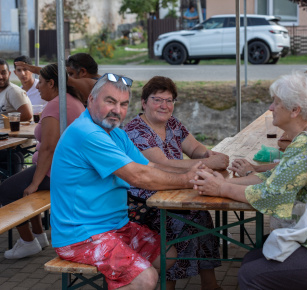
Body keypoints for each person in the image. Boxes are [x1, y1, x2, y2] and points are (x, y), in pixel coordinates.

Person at [191, 71, 307, 290]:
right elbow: (273, 177)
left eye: (276, 103)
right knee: (253, 258)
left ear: (296, 110)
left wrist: (220, 187)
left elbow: (271, 195)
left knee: (251, 274)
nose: (270, 108)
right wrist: (224, 182)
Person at [50, 73, 209, 290]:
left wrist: (193, 172)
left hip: (116, 227)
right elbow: (139, 176)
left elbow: (149, 167)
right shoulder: (88, 133)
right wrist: (187, 180)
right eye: (110, 101)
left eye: (123, 104)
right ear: (91, 100)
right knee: (145, 278)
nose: (117, 110)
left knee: (167, 254)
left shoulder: (115, 134)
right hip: (81, 235)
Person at [124, 76, 228, 290]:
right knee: (178, 223)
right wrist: (208, 162)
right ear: (144, 103)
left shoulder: (173, 123)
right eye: (157, 100)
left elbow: (195, 148)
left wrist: (209, 154)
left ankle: (210, 284)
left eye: (169, 100)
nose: (165, 106)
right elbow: (161, 164)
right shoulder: (136, 130)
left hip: (174, 192)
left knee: (201, 215)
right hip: (143, 204)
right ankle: (167, 286)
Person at [0, 63, 85, 259]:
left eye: (41, 83)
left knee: (7, 190)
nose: (37, 87)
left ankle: (28, 241)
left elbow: (48, 148)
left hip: (61, 171)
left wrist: (35, 183)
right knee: (20, 183)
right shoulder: (70, 100)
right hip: (70, 168)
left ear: (52, 83)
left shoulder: (56, 106)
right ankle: (38, 236)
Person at [15, 54, 99, 105]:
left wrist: (31, 68)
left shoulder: (94, 85)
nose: (68, 79)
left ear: (83, 72)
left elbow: (60, 77)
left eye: (71, 74)